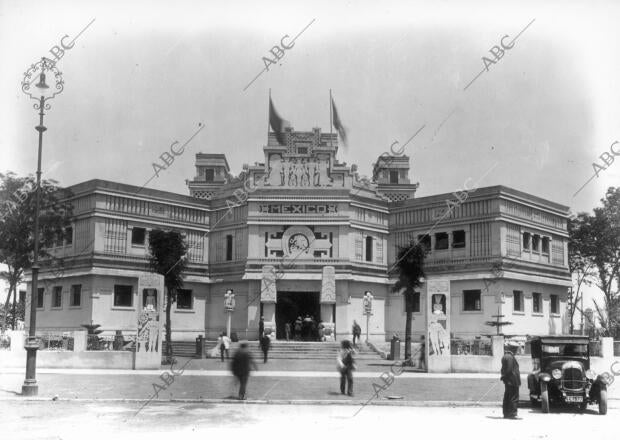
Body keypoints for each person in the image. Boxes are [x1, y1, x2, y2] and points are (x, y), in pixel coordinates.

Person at [501, 341, 521, 419]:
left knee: (507, 397)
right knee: (513, 397)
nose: (516, 350)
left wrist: (503, 377)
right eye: (516, 349)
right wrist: (505, 376)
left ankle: (506, 413)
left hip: (509, 380)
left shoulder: (506, 356)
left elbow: (505, 369)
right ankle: (512, 413)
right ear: (513, 349)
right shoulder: (509, 357)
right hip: (512, 380)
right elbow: (508, 369)